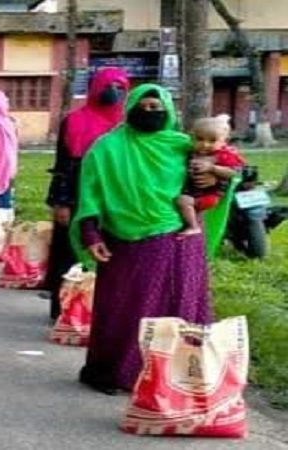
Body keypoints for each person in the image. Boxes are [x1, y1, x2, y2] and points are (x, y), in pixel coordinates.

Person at [72, 84, 220, 395]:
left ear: (168, 110)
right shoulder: (107, 147)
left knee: (182, 304)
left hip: (182, 239)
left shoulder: (182, 146)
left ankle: (176, 376)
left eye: (157, 107)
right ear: (131, 108)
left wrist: (212, 174)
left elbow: (223, 174)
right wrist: (90, 233)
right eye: (145, 106)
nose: (150, 112)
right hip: (128, 241)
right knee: (125, 307)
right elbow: (90, 193)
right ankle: (116, 373)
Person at [45, 68, 130, 321]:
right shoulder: (74, 120)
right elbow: (63, 164)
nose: (112, 91)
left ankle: (99, 311)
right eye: (107, 85)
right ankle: (64, 311)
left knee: (109, 255)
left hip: (114, 200)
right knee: (68, 252)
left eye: (119, 87)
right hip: (76, 194)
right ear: (94, 88)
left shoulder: (126, 126)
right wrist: (60, 202)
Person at [177, 115, 244, 236]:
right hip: (194, 190)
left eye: (212, 141)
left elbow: (234, 172)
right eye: (199, 139)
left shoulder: (223, 155)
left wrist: (213, 168)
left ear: (223, 141)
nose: (205, 144)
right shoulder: (192, 152)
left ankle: (194, 226)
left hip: (210, 194)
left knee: (183, 202)